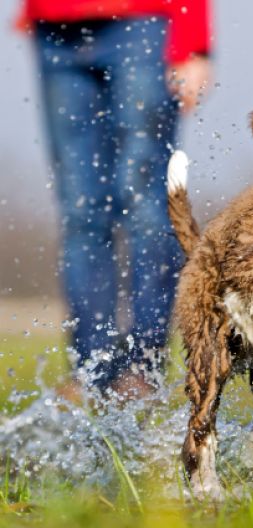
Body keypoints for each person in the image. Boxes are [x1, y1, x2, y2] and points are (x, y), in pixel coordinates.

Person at [16, 0, 213, 400]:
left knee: (146, 203)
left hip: (143, 22)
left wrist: (194, 41)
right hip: (55, 28)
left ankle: (143, 366)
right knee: (80, 212)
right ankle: (92, 370)